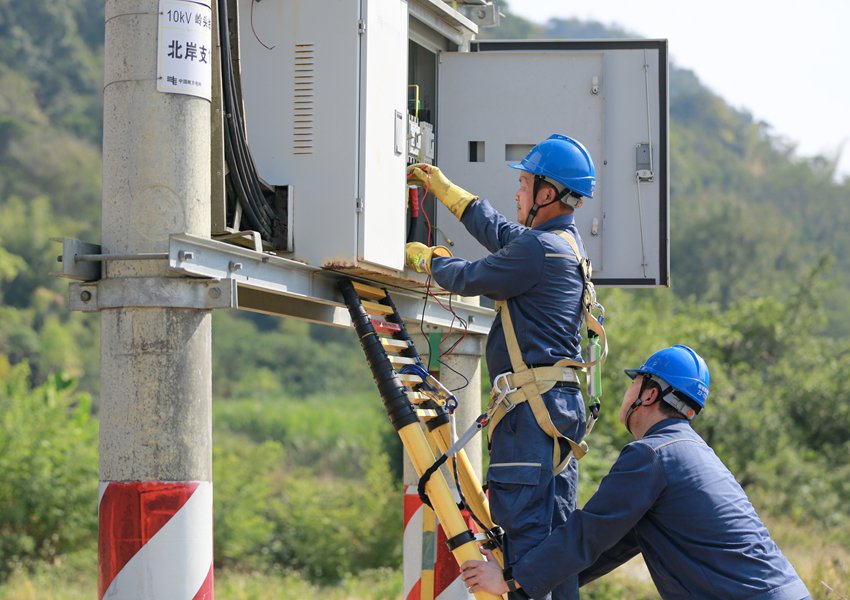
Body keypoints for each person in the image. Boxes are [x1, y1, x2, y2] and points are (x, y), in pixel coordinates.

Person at [405, 134, 598, 600]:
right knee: (557, 540)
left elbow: (470, 277)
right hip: (556, 412)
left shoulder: (537, 251)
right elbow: (501, 231)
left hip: (530, 417)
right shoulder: (563, 246)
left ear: (547, 195)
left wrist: (431, 260)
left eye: (526, 183)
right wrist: (449, 192)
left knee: (526, 535)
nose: (518, 192)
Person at [459, 344, 811, 600]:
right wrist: (533, 580)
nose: (627, 392)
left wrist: (509, 580)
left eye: (634, 383)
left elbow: (589, 532)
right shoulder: (689, 453)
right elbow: (610, 546)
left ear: (649, 393)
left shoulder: (651, 455)